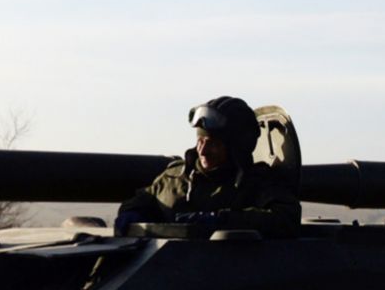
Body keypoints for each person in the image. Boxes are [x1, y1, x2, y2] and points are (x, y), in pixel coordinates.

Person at [115, 96, 301, 235]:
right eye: (200, 141)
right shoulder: (175, 178)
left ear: (237, 148)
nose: (202, 151)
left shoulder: (257, 184)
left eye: (213, 144)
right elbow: (141, 201)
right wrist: (132, 213)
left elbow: (285, 219)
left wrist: (221, 221)